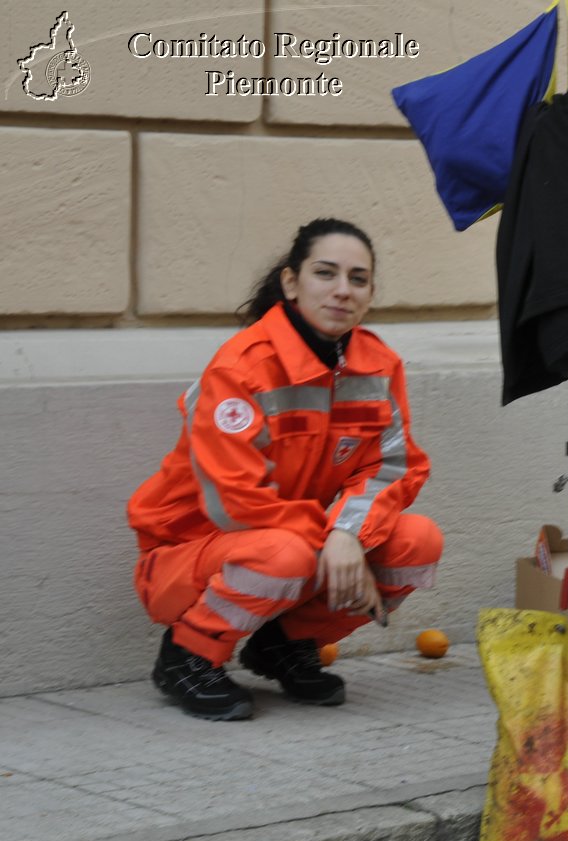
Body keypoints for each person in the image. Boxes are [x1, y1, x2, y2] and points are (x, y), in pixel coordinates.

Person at [127, 218, 442, 722]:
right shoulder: (241, 366)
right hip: (187, 556)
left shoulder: (379, 365)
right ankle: (187, 655)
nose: (342, 290)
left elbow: (394, 467)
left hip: (295, 543)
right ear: (291, 282)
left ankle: (286, 644)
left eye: (357, 279)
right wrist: (337, 538)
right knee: (285, 553)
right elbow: (236, 502)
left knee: (417, 542)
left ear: (370, 292)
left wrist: (348, 534)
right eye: (325, 273)